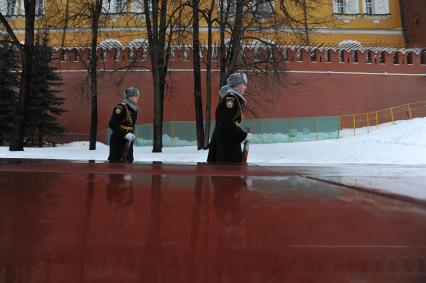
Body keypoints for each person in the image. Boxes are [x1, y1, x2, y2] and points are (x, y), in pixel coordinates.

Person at [207, 73, 252, 163]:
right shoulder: (231, 99)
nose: (245, 87)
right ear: (237, 85)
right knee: (228, 174)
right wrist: (243, 135)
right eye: (243, 84)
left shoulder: (232, 98)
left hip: (225, 145)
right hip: (226, 148)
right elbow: (227, 123)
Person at [108, 87, 140, 163]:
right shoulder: (121, 107)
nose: (137, 98)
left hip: (128, 141)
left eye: (137, 96)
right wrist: (125, 134)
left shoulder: (133, 108)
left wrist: (131, 135)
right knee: (116, 165)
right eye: (135, 96)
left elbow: (131, 125)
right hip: (118, 140)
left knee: (128, 162)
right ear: (129, 97)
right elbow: (112, 124)